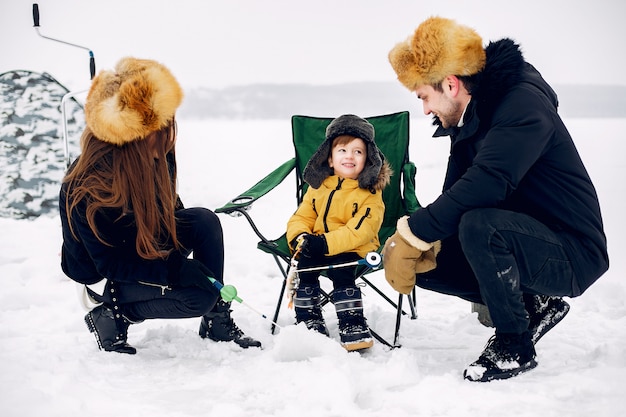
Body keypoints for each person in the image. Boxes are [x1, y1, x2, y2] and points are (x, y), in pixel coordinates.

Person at [383, 17, 608, 381]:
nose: (424, 109)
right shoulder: (470, 118)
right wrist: (425, 239)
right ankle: (533, 304)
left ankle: (513, 346)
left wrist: (413, 231)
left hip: (573, 251)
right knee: (431, 261)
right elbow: (456, 194)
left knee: (479, 227)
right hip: (526, 237)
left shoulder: (522, 106)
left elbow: (486, 185)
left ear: (451, 84)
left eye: (424, 96)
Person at [59, 57, 261, 354]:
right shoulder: (91, 186)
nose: (170, 131)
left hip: (140, 242)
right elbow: (109, 261)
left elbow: (171, 217)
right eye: (161, 123)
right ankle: (114, 312)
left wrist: (182, 261)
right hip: (105, 269)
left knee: (203, 222)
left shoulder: (151, 156)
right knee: (196, 297)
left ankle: (216, 318)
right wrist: (174, 271)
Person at [286, 114, 391, 351]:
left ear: (369, 160)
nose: (350, 156)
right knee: (305, 266)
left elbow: (360, 231)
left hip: (354, 249)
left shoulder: (369, 195)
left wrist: (325, 243)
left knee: (344, 269)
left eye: (358, 152)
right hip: (316, 244)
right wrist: (301, 237)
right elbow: (302, 216)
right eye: (342, 150)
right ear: (330, 159)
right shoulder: (318, 187)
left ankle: (352, 322)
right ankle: (308, 318)